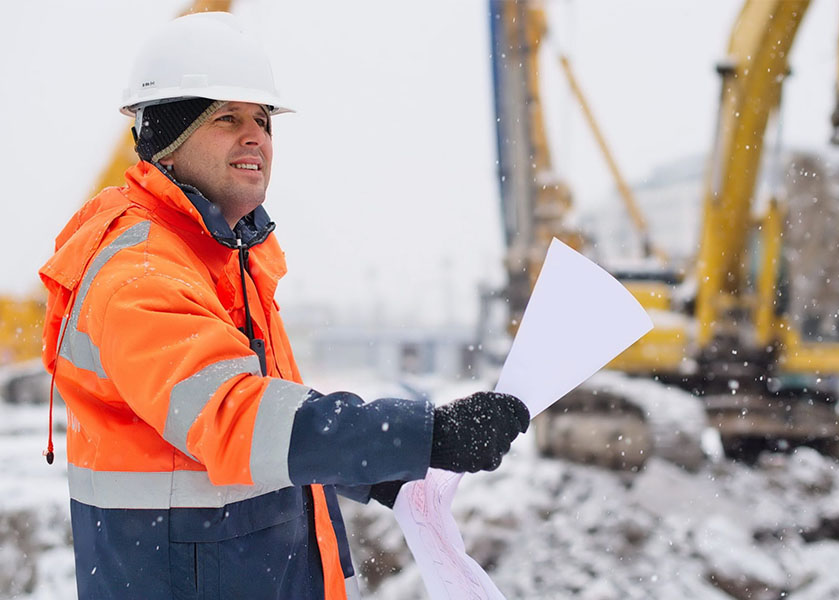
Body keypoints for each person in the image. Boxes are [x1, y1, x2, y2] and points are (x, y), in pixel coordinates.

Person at [39, 12, 529, 600]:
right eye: (227, 118)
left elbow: (275, 425)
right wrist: (423, 434)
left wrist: (378, 471)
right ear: (165, 136)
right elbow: (238, 419)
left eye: (264, 121)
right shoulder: (140, 274)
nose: (256, 137)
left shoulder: (224, 256)